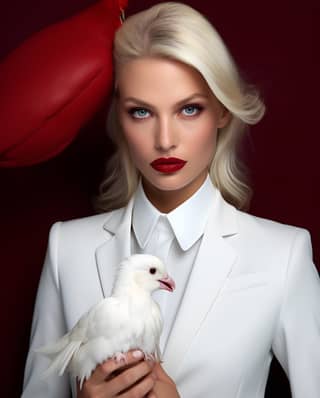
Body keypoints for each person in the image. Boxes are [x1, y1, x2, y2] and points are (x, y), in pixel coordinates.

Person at [22, 2, 320, 397]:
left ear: (222, 111)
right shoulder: (66, 248)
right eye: (141, 112)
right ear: (119, 118)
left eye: (189, 109)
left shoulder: (283, 256)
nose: (165, 139)